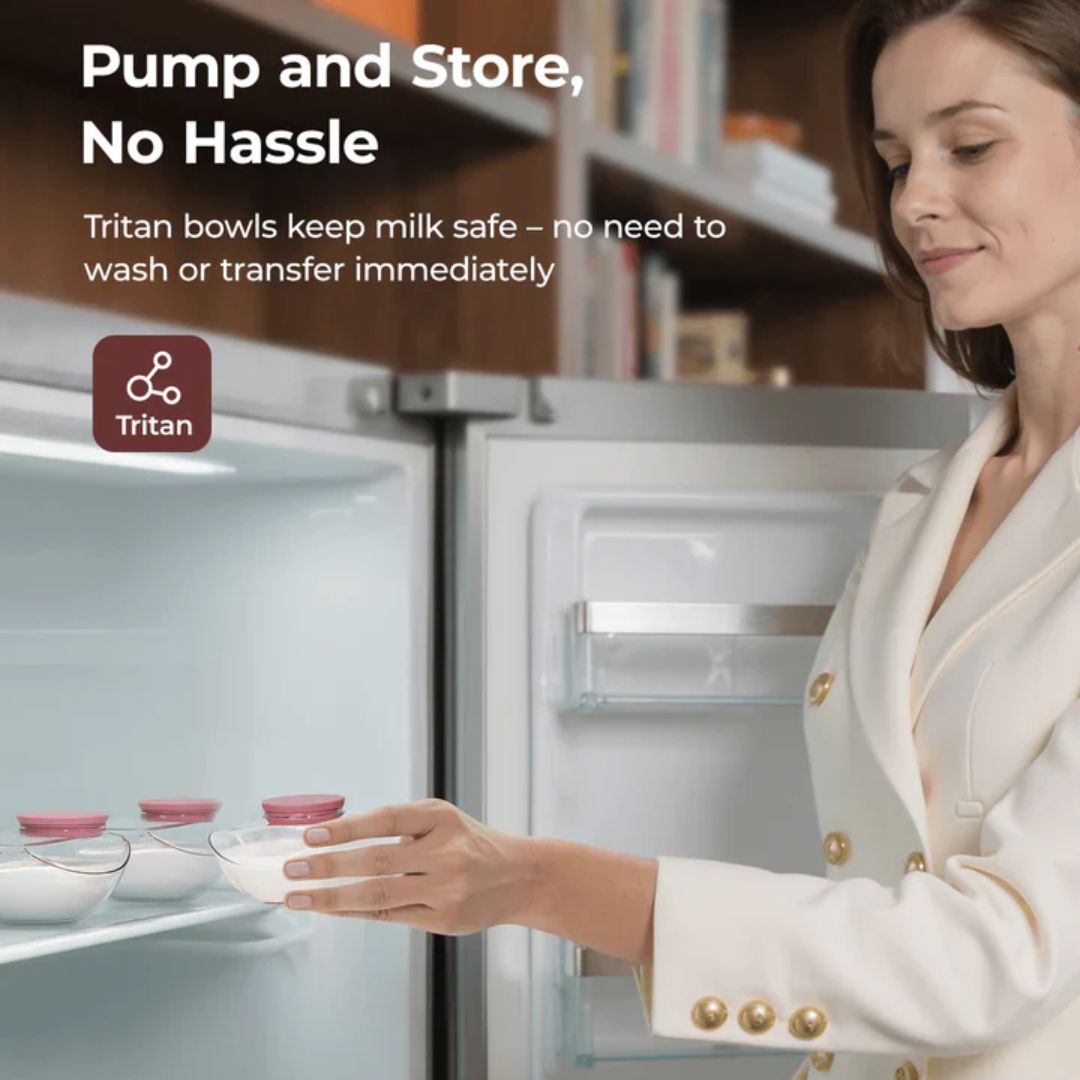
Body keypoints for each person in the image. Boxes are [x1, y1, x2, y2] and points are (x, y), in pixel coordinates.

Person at [279, 1, 1080, 1077]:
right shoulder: (929, 502)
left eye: (970, 146)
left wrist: (543, 882)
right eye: (895, 161)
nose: (913, 203)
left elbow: (999, 960)